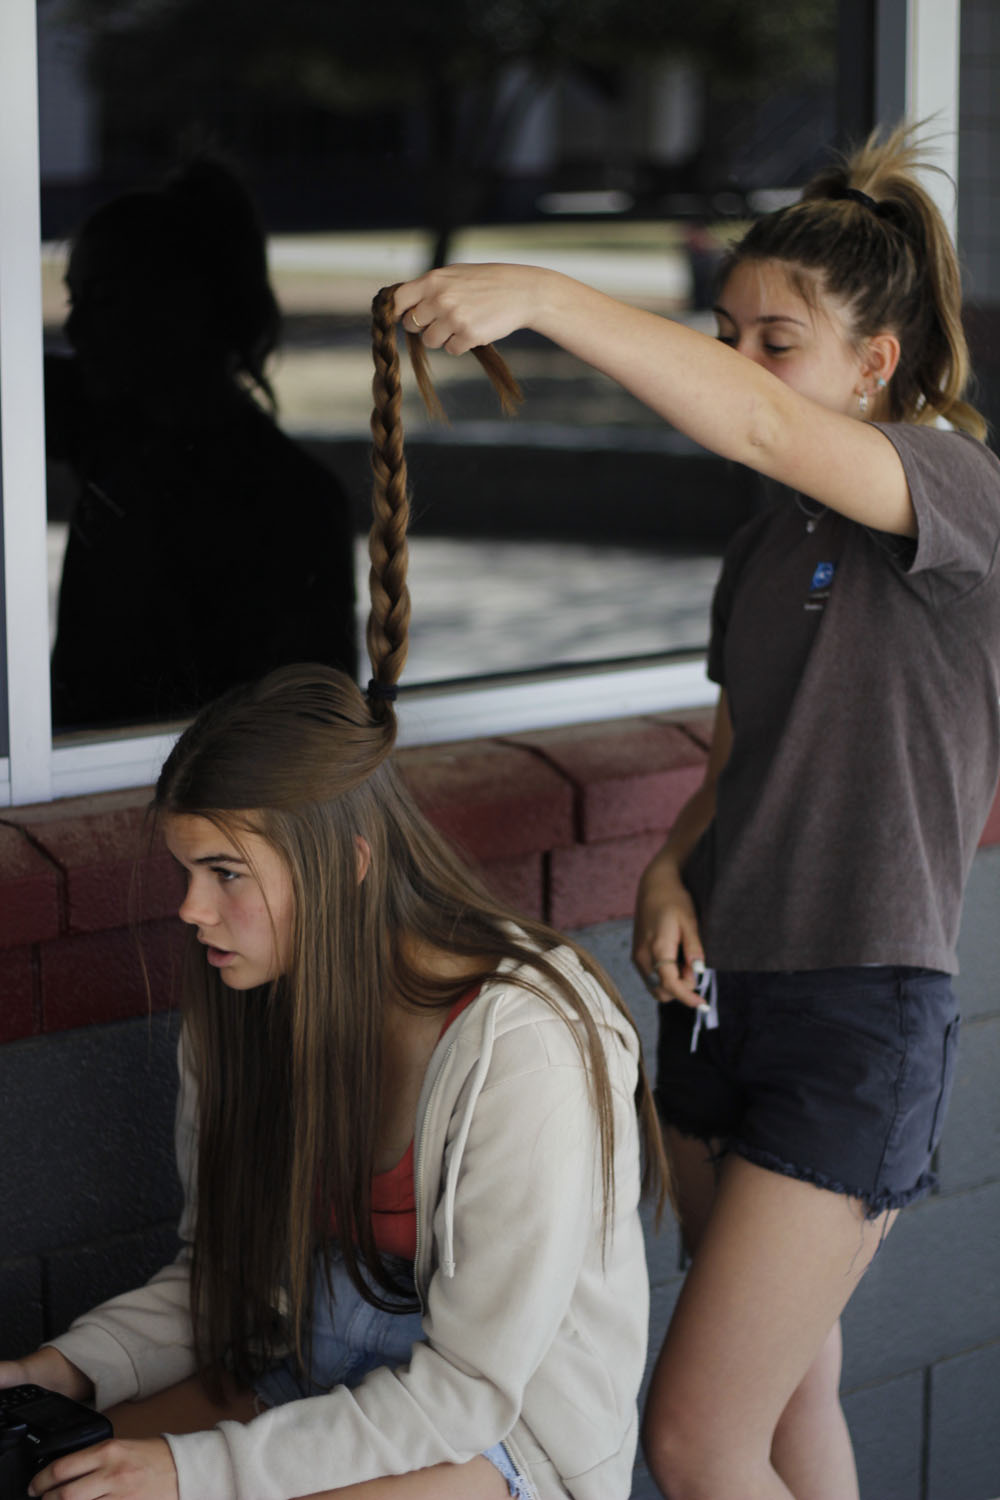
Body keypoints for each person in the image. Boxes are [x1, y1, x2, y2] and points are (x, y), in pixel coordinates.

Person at [387, 125, 1000, 1499]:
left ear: (875, 363)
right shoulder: (767, 539)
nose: (738, 364)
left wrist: (544, 293)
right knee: (789, 1405)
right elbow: (743, 750)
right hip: (723, 991)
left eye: (772, 339)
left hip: (857, 1017)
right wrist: (671, 868)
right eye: (724, 331)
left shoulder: (954, 489)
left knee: (691, 1438)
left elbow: (765, 422)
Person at [2, 291, 664, 1500]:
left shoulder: (518, 1040)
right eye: (186, 874)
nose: (194, 913)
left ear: (345, 864)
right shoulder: (245, 1003)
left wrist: (194, 1475)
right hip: (306, 1381)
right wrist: (61, 1370)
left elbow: (467, 1389)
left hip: (499, 1436)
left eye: (225, 875)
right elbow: (223, 1288)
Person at [47, 156, 357, 731]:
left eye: (105, 299)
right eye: (74, 300)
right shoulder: (111, 424)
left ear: (188, 307)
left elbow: (308, 735)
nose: (74, 328)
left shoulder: (289, 503)